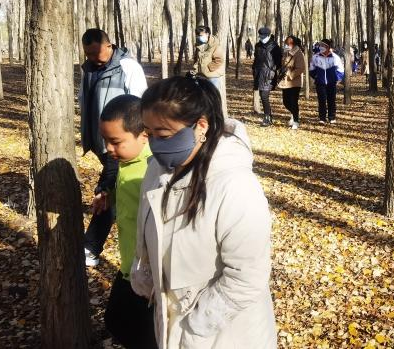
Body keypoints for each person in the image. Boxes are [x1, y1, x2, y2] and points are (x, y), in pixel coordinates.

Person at [131, 76, 276, 348]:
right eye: (149, 134)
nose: (155, 144)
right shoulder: (155, 171)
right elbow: (146, 235)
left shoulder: (236, 186)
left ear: (201, 126)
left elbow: (247, 275)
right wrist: (145, 274)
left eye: (163, 135)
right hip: (172, 331)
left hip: (227, 336)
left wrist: (195, 324)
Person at [79, 28, 148, 267]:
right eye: (87, 53)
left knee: (107, 189)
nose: (91, 58)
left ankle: (90, 247)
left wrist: (129, 138)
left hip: (123, 142)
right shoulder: (88, 69)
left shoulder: (127, 67)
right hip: (102, 141)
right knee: (116, 189)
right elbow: (84, 101)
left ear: (109, 46)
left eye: (95, 52)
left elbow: (139, 103)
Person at [96, 94, 157, 349]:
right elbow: (118, 179)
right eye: (106, 141)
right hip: (128, 266)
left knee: (145, 335)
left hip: (148, 274)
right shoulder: (125, 158)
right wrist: (108, 193)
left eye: (115, 142)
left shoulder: (153, 170)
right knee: (115, 320)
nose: (109, 149)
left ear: (144, 136)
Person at [252, 27, 282, 127]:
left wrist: (272, 70)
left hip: (269, 75)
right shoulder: (258, 45)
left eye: (264, 36)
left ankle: (267, 117)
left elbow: (279, 62)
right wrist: (254, 69)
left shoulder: (274, 46)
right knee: (262, 95)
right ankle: (268, 116)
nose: (262, 38)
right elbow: (256, 59)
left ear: (268, 36)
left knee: (264, 96)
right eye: (260, 36)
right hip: (259, 74)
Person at [310, 39, 344, 124]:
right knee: (321, 100)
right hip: (320, 83)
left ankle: (332, 117)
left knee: (331, 100)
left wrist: (336, 78)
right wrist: (316, 77)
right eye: (320, 45)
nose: (321, 47)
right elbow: (311, 69)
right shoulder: (315, 57)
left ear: (328, 47)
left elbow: (341, 70)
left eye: (323, 45)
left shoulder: (335, 57)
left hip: (331, 83)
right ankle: (322, 118)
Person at [279, 36, 306, 130]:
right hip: (285, 81)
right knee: (285, 101)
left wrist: (290, 75)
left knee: (293, 101)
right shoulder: (285, 52)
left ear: (292, 43)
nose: (286, 45)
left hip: (295, 82)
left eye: (288, 43)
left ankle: (296, 120)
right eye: (286, 43)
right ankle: (294, 113)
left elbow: (301, 68)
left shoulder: (298, 53)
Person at [190, 26, 225, 90]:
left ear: (207, 34)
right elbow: (197, 60)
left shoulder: (215, 45)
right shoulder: (199, 45)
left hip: (212, 77)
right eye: (198, 36)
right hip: (201, 76)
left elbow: (219, 60)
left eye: (201, 35)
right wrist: (195, 70)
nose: (199, 37)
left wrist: (209, 68)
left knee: (212, 95)